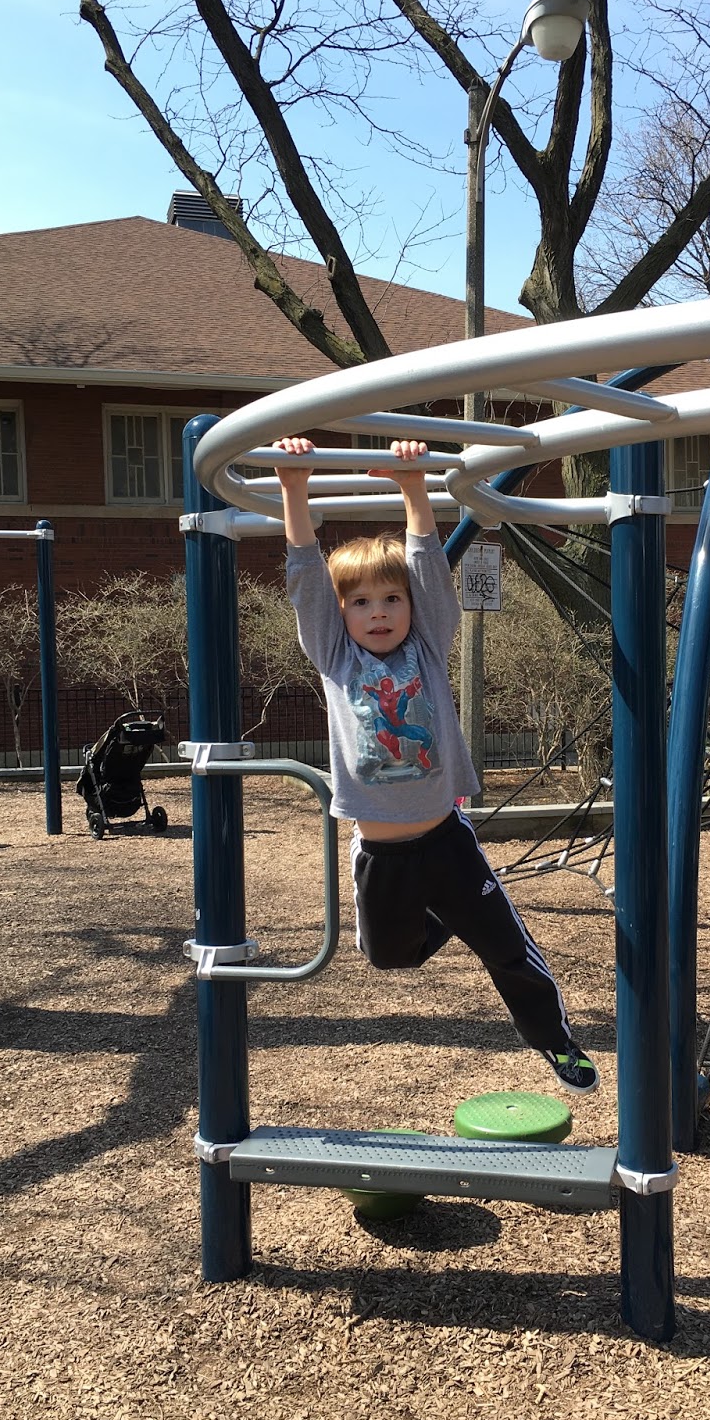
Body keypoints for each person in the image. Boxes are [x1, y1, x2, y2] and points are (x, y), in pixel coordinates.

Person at [274, 434, 599, 1095]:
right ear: (341, 614)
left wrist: (414, 488)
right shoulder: (334, 657)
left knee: (506, 948)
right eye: (361, 602)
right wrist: (293, 487)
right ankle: (442, 916)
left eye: (391, 599)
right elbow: (307, 578)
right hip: (381, 852)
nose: (379, 613)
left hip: (446, 838)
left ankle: (553, 1039)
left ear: (412, 608)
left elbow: (427, 568)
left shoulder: (427, 644)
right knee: (390, 958)